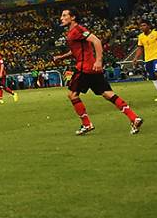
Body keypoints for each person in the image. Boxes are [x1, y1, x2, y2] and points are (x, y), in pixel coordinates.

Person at [52, 8, 142, 136]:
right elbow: (76, 50)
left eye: (64, 15)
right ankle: (134, 118)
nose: (61, 18)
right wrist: (61, 57)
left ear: (73, 17)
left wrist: (99, 61)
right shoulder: (73, 32)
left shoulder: (78, 30)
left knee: (72, 95)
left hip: (84, 68)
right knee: (107, 94)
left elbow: (96, 41)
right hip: (92, 69)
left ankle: (87, 124)